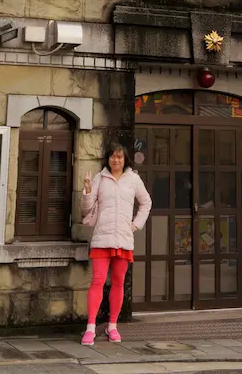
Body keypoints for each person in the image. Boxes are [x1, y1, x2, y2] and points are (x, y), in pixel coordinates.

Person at [81, 140, 152, 345]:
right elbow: (87, 210)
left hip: (123, 239)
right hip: (102, 238)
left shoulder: (133, 179)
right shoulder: (100, 178)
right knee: (98, 281)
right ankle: (91, 328)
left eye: (119, 156)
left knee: (119, 283)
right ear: (108, 158)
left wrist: (136, 224)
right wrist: (86, 192)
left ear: (125, 158)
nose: (116, 159)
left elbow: (146, 202)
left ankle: (113, 326)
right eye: (113, 156)